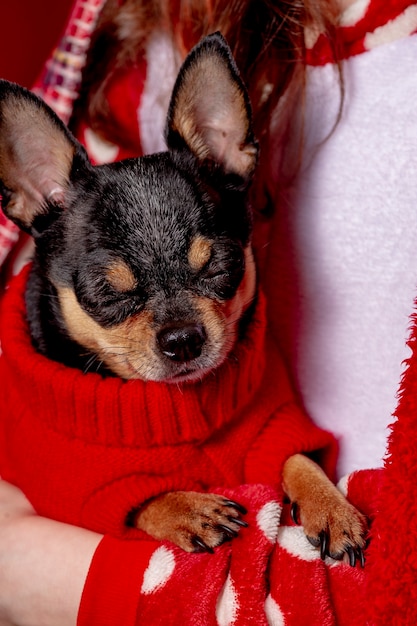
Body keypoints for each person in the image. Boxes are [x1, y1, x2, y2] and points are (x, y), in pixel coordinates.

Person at [0, 0, 416, 624]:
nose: (178, 331)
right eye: (116, 296)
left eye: (214, 270)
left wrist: (307, 484)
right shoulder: (133, 34)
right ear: (32, 198)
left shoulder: (247, 360)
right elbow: (67, 485)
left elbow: (270, 431)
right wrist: (156, 508)